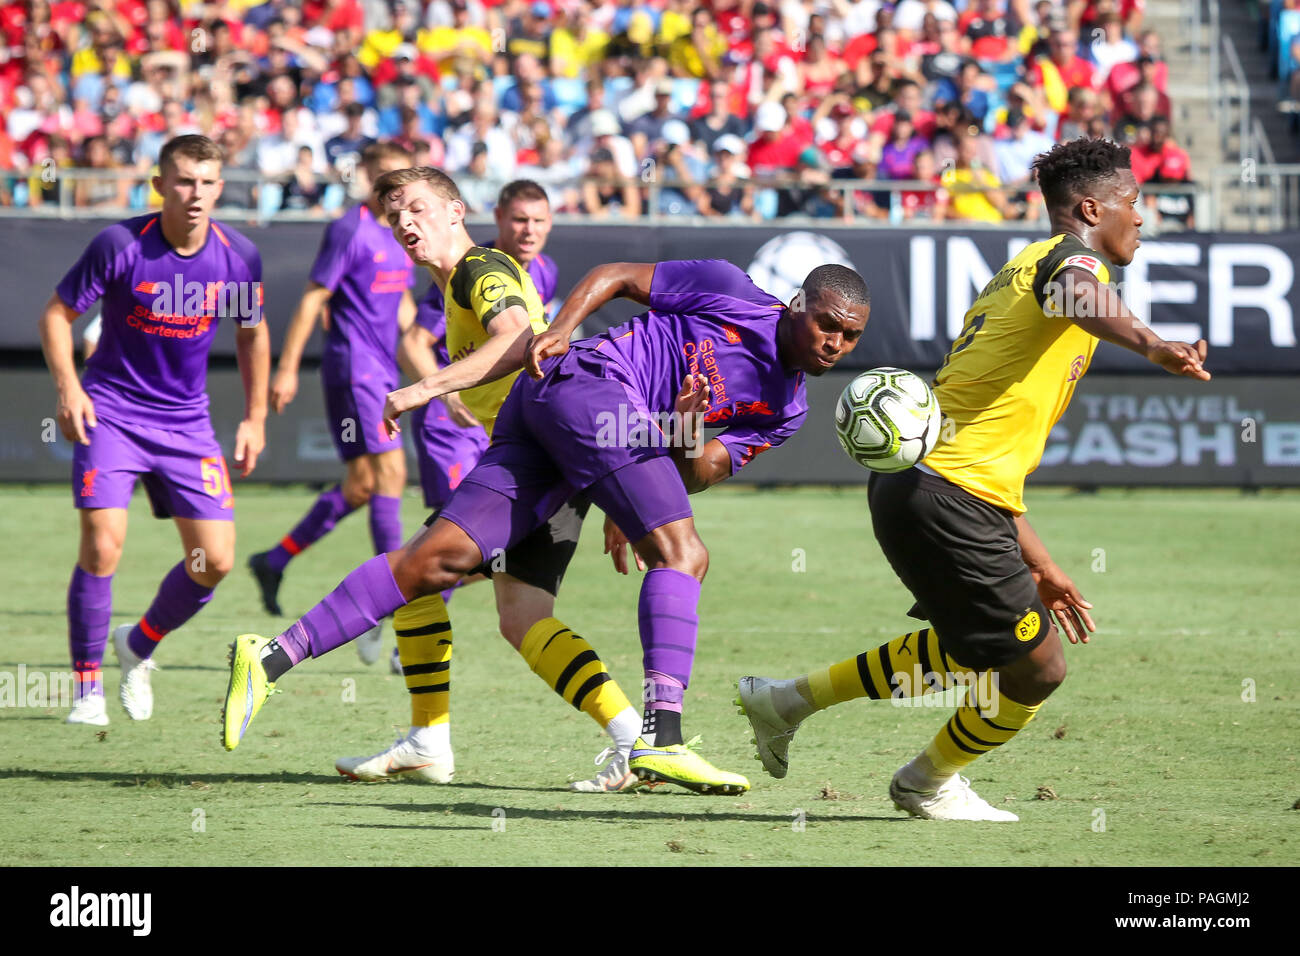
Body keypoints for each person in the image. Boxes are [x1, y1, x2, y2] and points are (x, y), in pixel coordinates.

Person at [221, 166, 872, 797]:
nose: (835, 343)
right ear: (796, 305)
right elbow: (615, 275)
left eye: (849, 336)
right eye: (826, 324)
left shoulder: (785, 411)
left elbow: (695, 473)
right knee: (683, 554)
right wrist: (557, 332)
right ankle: (659, 737)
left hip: (550, 420)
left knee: (437, 564)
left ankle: (270, 656)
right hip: (591, 386)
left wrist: (681, 434)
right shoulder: (729, 286)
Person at [738, 136, 1211, 821]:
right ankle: (926, 782)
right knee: (1038, 668)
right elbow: (1082, 296)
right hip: (945, 494)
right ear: (1089, 207)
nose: (1140, 217)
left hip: (933, 487)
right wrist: (1155, 345)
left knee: (972, 650)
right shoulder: (1071, 265)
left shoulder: (1019, 270)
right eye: (1132, 202)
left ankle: (786, 701)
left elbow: (985, 447)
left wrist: (1039, 562)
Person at [232, 167, 643, 792]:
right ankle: (629, 741)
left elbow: (517, 339)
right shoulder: (454, 286)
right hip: (555, 458)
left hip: (536, 457)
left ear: (455, 211)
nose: (406, 224)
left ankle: (272, 656)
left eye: (418, 208)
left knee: (415, 569)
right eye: (395, 216)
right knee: (520, 616)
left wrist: (423, 388)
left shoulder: (481, 268)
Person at [39, 134, 269, 726]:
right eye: (184, 181)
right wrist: (69, 388)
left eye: (207, 182)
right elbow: (57, 316)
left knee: (213, 561)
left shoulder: (238, 257)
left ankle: (138, 644)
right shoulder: (120, 243)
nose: (195, 194)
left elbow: (250, 333)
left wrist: (255, 414)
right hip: (110, 413)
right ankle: (87, 688)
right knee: (102, 544)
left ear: (220, 188)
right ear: (161, 184)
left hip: (187, 424)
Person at [247, 142, 417, 665]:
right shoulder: (351, 230)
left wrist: (442, 377)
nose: (392, 189)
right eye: (383, 178)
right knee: (391, 475)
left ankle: (274, 560)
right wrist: (288, 366)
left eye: (400, 180)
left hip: (382, 372)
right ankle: (391, 606)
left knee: (363, 486)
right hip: (353, 371)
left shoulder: (400, 236)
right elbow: (312, 300)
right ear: (365, 177)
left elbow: (405, 316)